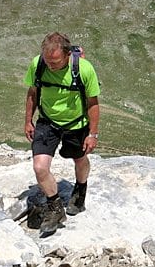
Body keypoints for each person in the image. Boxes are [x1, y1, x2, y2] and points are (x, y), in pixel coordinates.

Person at [24, 32, 100, 236]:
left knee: (79, 158)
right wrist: (28, 121)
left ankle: (80, 190)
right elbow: (32, 93)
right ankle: (55, 208)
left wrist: (92, 134)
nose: (51, 66)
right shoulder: (37, 64)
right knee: (40, 167)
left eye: (56, 62)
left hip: (76, 124)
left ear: (67, 55)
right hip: (47, 122)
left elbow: (93, 103)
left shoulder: (84, 69)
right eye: (48, 62)